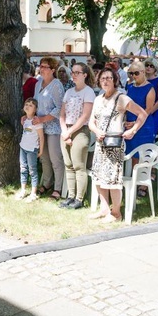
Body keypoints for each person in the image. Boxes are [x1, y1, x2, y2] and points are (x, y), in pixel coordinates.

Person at [88, 68, 148, 223]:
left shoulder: (122, 98)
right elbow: (91, 122)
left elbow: (143, 113)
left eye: (109, 78)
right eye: (102, 78)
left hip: (114, 144)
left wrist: (133, 130)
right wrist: (96, 131)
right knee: (99, 177)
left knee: (113, 180)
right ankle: (104, 208)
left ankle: (116, 213)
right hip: (100, 144)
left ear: (115, 80)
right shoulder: (98, 99)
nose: (106, 81)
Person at [58, 62, 96, 209]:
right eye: (72, 72)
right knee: (68, 165)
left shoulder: (88, 92)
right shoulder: (69, 92)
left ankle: (79, 199)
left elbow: (85, 116)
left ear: (85, 75)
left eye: (77, 72)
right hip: (66, 130)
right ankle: (70, 196)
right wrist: (64, 131)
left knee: (79, 165)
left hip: (80, 131)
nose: (73, 75)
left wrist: (70, 132)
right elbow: (62, 114)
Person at [32, 57, 66, 200]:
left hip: (53, 128)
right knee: (44, 158)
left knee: (55, 158)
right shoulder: (38, 83)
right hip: (40, 127)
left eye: (45, 66)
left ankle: (58, 187)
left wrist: (43, 119)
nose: (42, 68)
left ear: (52, 70)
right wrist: (28, 115)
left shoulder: (57, 85)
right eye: (41, 66)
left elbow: (60, 108)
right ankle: (47, 183)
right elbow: (34, 102)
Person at [124, 61, 157, 156]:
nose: (134, 76)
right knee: (130, 155)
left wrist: (136, 124)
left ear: (143, 72)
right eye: (131, 73)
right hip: (129, 124)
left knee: (142, 156)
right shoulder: (130, 87)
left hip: (144, 126)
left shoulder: (150, 88)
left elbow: (148, 109)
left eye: (136, 73)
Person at [16, 98, 45, 202]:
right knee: (23, 169)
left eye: (31, 105)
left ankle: (33, 193)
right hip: (23, 148)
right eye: (26, 104)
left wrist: (40, 151)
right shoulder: (24, 120)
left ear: (35, 109)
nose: (28, 106)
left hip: (32, 150)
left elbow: (41, 137)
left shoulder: (36, 122)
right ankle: (23, 190)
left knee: (32, 171)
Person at [144, 57, 158, 134]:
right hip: (141, 111)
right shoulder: (142, 80)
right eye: (147, 65)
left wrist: (150, 112)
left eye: (151, 66)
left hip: (154, 112)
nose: (148, 67)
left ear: (155, 69)